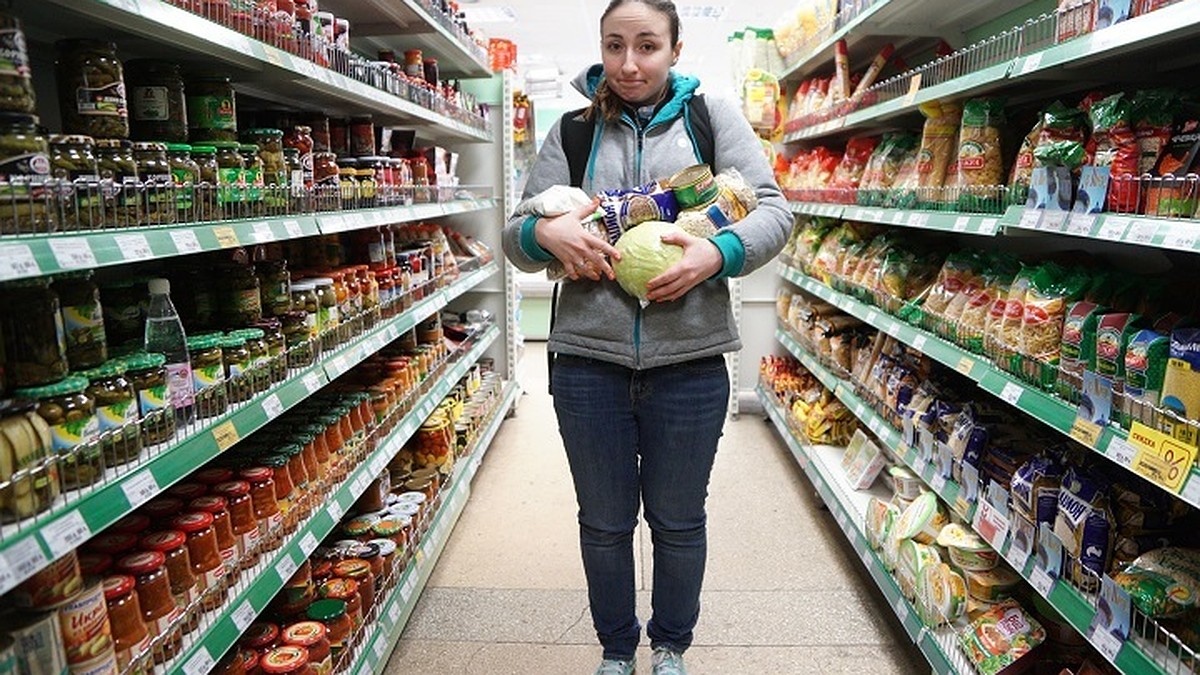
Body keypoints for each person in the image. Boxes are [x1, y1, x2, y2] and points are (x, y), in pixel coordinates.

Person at [501, 1, 792, 673]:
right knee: (603, 521)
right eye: (615, 45)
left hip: (687, 362)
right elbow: (517, 232)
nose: (630, 63)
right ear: (601, 47)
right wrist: (542, 233)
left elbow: (776, 211)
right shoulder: (573, 132)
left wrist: (716, 252)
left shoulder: (710, 120)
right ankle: (615, 648)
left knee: (679, 518)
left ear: (675, 49)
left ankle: (669, 645)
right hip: (587, 362)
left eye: (648, 46)